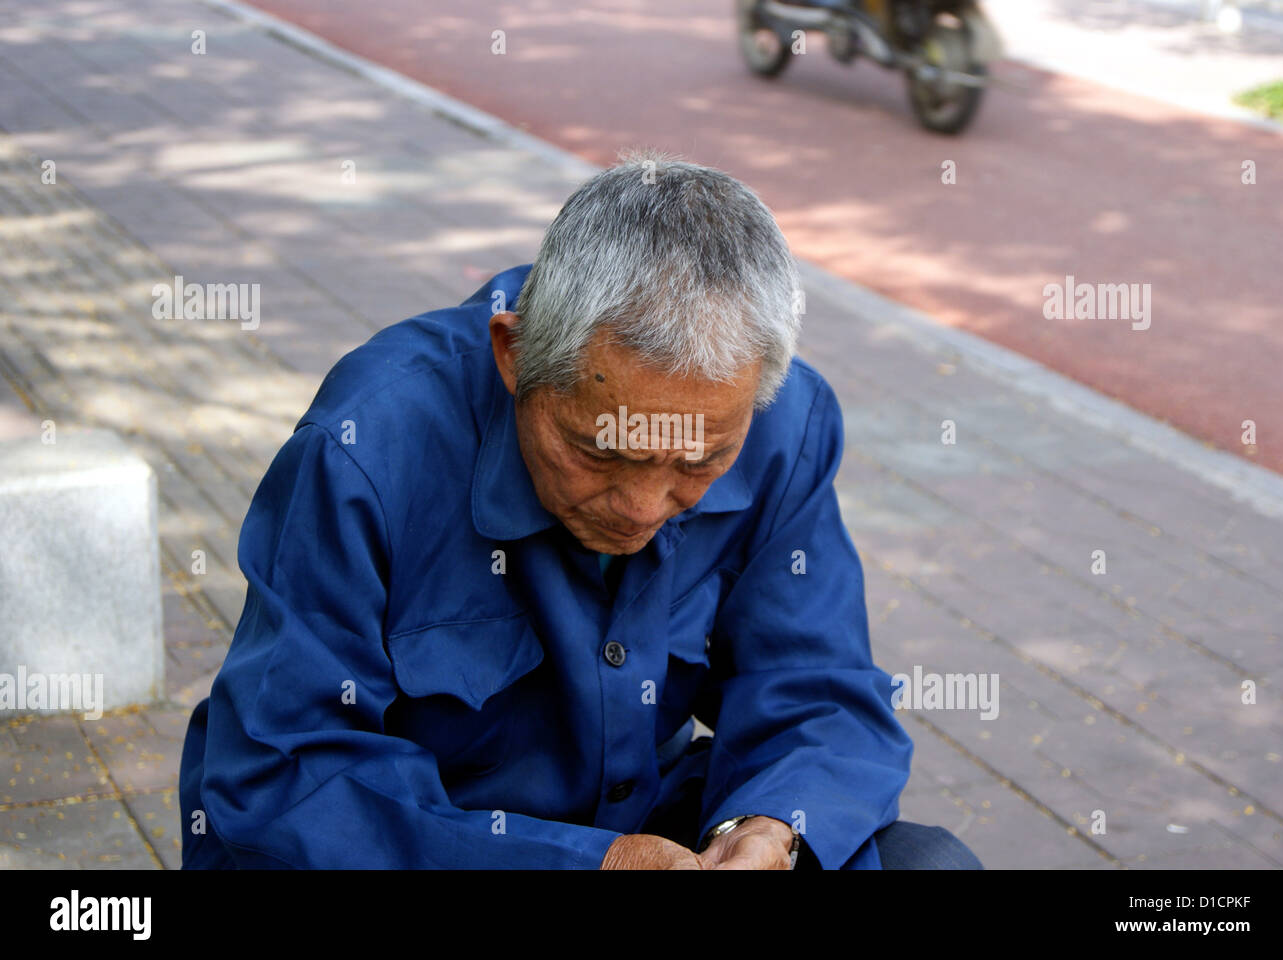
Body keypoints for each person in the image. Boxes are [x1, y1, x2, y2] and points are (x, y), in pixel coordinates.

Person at [179, 150, 982, 870]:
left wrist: (768, 827)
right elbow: (285, 771)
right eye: (600, 451)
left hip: (644, 820)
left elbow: (816, 684)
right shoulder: (368, 446)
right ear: (514, 356)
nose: (640, 509)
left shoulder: (787, 424)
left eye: (697, 461)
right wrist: (587, 864)